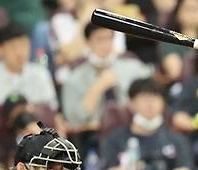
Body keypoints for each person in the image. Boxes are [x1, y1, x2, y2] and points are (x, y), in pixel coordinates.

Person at [61, 22, 152, 156]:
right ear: (88, 42)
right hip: (93, 139)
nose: (105, 44)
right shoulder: (74, 78)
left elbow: (153, 97)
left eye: (109, 38)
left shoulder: (134, 68)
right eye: (99, 39)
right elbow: (74, 120)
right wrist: (98, 87)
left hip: (135, 133)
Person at [101, 78, 194, 170]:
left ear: (163, 103)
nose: (150, 104)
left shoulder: (177, 140)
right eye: (144, 98)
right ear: (132, 104)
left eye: (155, 98)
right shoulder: (115, 139)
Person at [0, 23, 58, 112]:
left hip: (36, 124)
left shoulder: (40, 73)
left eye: (24, 45)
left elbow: (51, 110)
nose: (20, 52)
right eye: (13, 47)